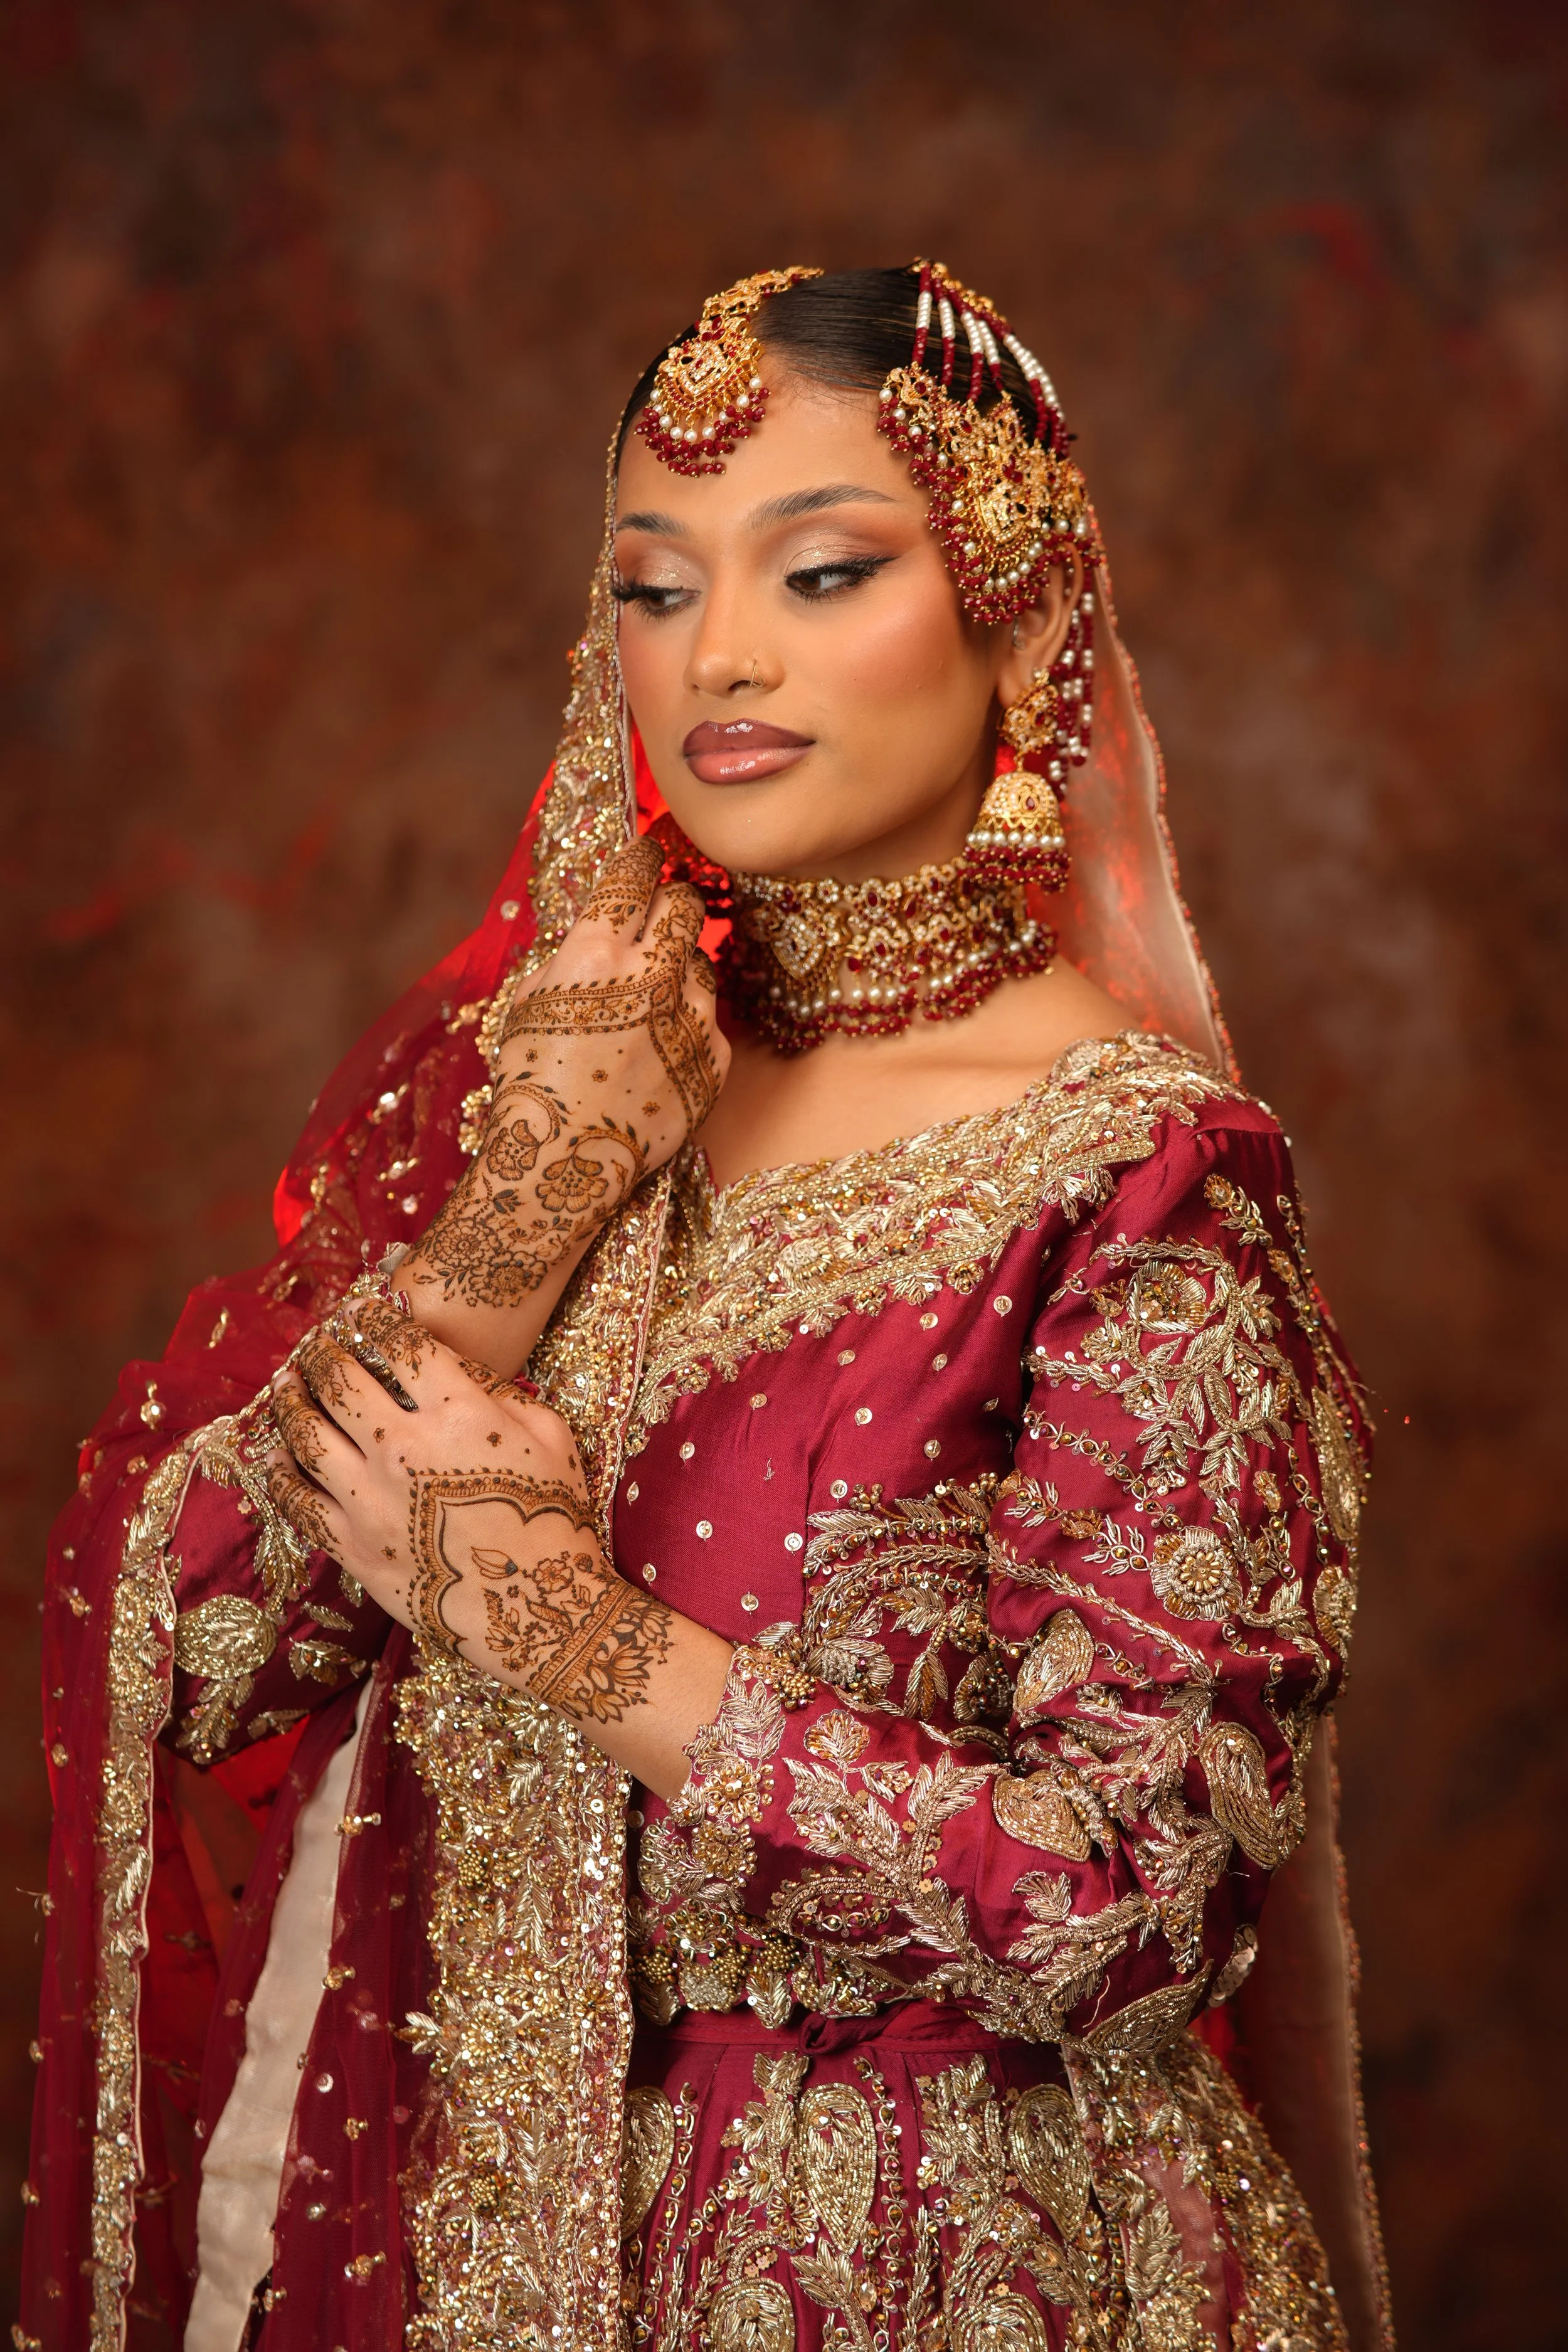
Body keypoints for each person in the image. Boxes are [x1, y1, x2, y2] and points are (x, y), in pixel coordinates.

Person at [21, 264, 1393, 2352]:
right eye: (653, 589)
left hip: (962, 2260)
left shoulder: (1138, 1181)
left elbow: (1124, 1898)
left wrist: (568, 1635)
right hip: (502, 2248)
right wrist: (528, 1208)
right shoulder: (578, 1066)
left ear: (1025, 617)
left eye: (820, 571)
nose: (718, 654)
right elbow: (193, 1651)